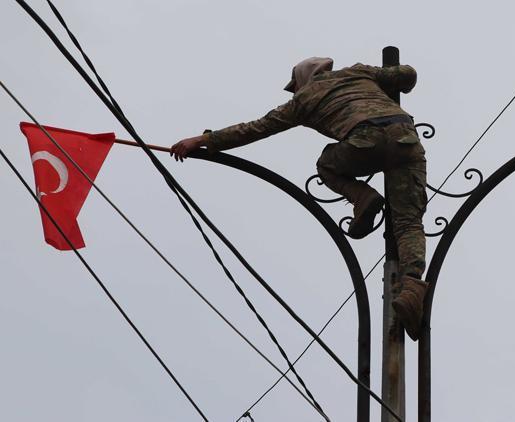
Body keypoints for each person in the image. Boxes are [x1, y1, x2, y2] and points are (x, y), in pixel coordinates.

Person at [170, 57, 428, 340]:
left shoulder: (304, 100)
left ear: (303, 79)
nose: (294, 92)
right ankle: (412, 286)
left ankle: (362, 197)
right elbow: (408, 74)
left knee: (326, 165)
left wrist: (203, 140)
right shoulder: (358, 72)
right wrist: (392, 81)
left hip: (363, 141)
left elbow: (256, 128)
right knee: (408, 222)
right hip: (406, 139)